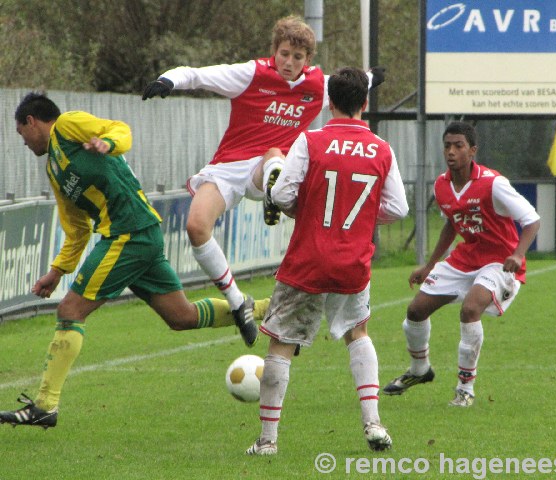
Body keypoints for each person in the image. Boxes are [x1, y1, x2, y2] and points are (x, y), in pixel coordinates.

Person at [0, 92, 269, 429]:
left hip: (127, 232)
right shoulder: (54, 168)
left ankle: (45, 405)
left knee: (70, 311)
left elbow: (120, 129)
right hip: (138, 234)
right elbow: (77, 228)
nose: (22, 141)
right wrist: (56, 272)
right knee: (181, 317)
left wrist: (108, 144)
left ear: (31, 121)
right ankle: (264, 309)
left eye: (20, 132)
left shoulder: (67, 126)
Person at [142, 16, 384, 335]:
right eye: (284, 53)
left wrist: (370, 78)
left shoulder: (316, 84)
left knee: (274, 155)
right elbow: (198, 75)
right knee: (196, 226)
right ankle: (237, 301)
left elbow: (349, 85)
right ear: (274, 50)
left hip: (271, 166)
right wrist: (168, 80)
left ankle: (274, 189)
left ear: (308, 60)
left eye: (297, 57)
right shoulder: (251, 73)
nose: (289, 62)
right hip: (229, 166)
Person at [244, 67, 409, 456]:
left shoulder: (311, 140)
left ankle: (268, 441)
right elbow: (398, 207)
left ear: (329, 102)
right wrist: (364, 217)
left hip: (307, 260)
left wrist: (305, 209)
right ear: (365, 104)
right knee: (358, 333)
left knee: (281, 346)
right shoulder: (382, 149)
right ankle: (373, 423)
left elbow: (283, 193)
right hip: (353, 263)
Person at [382, 121, 540, 407]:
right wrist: (429, 265)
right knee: (415, 310)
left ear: (472, 150)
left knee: (470, 309)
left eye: (458, 146)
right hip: (465, 259)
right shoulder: (442, 185)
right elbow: (451, 226)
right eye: (447, 146)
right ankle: (420, 371)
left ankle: (465, 388)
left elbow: (531, 219)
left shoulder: (493, 183)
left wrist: (518, 255)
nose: (451, 151)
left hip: (499, 262)